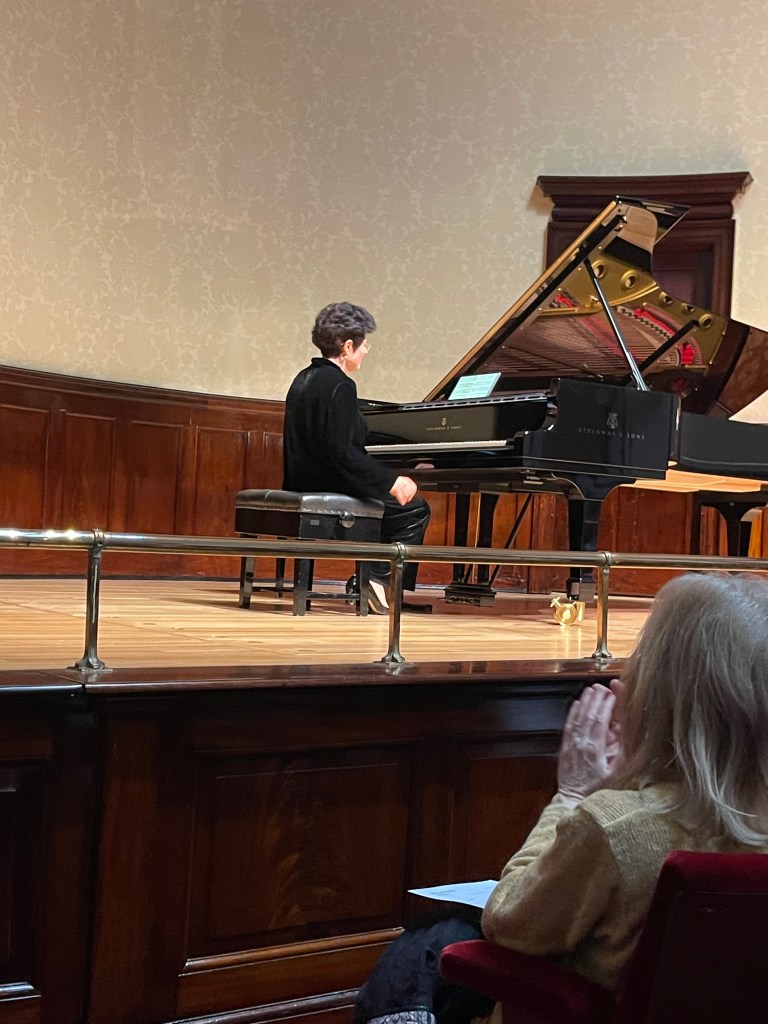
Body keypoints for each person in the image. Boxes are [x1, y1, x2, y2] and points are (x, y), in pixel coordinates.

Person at [354, 572, 768, 1022]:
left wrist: (572, 795)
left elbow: (509, 921)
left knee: (425, 944)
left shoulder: (616, 828)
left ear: (659, 694)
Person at [282, 301, 431, 613]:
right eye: (364, 346)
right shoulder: (341, 385)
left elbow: (340, 442)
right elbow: (343, 455)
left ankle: (373, 583)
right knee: (414, 509)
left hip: (302, 479)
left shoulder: (303, 379)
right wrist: (391, 480)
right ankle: (375, 582)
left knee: (390, 504)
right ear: (347, 347)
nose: (365, 352)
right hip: (331, 483)